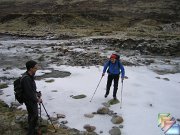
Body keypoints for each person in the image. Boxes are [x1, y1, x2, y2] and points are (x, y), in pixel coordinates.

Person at [21, 60, 42, 135]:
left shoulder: (29, 75)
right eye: (35, 68)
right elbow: (29, 93)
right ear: (30, 68)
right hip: (30, 101)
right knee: (34, 116)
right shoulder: (27, 79)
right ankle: (31, 132)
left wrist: (36, 93)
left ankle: (32, 130)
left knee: (31, 115)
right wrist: (37, 99)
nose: (37, 69)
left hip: (31, 99)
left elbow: (31, 90)